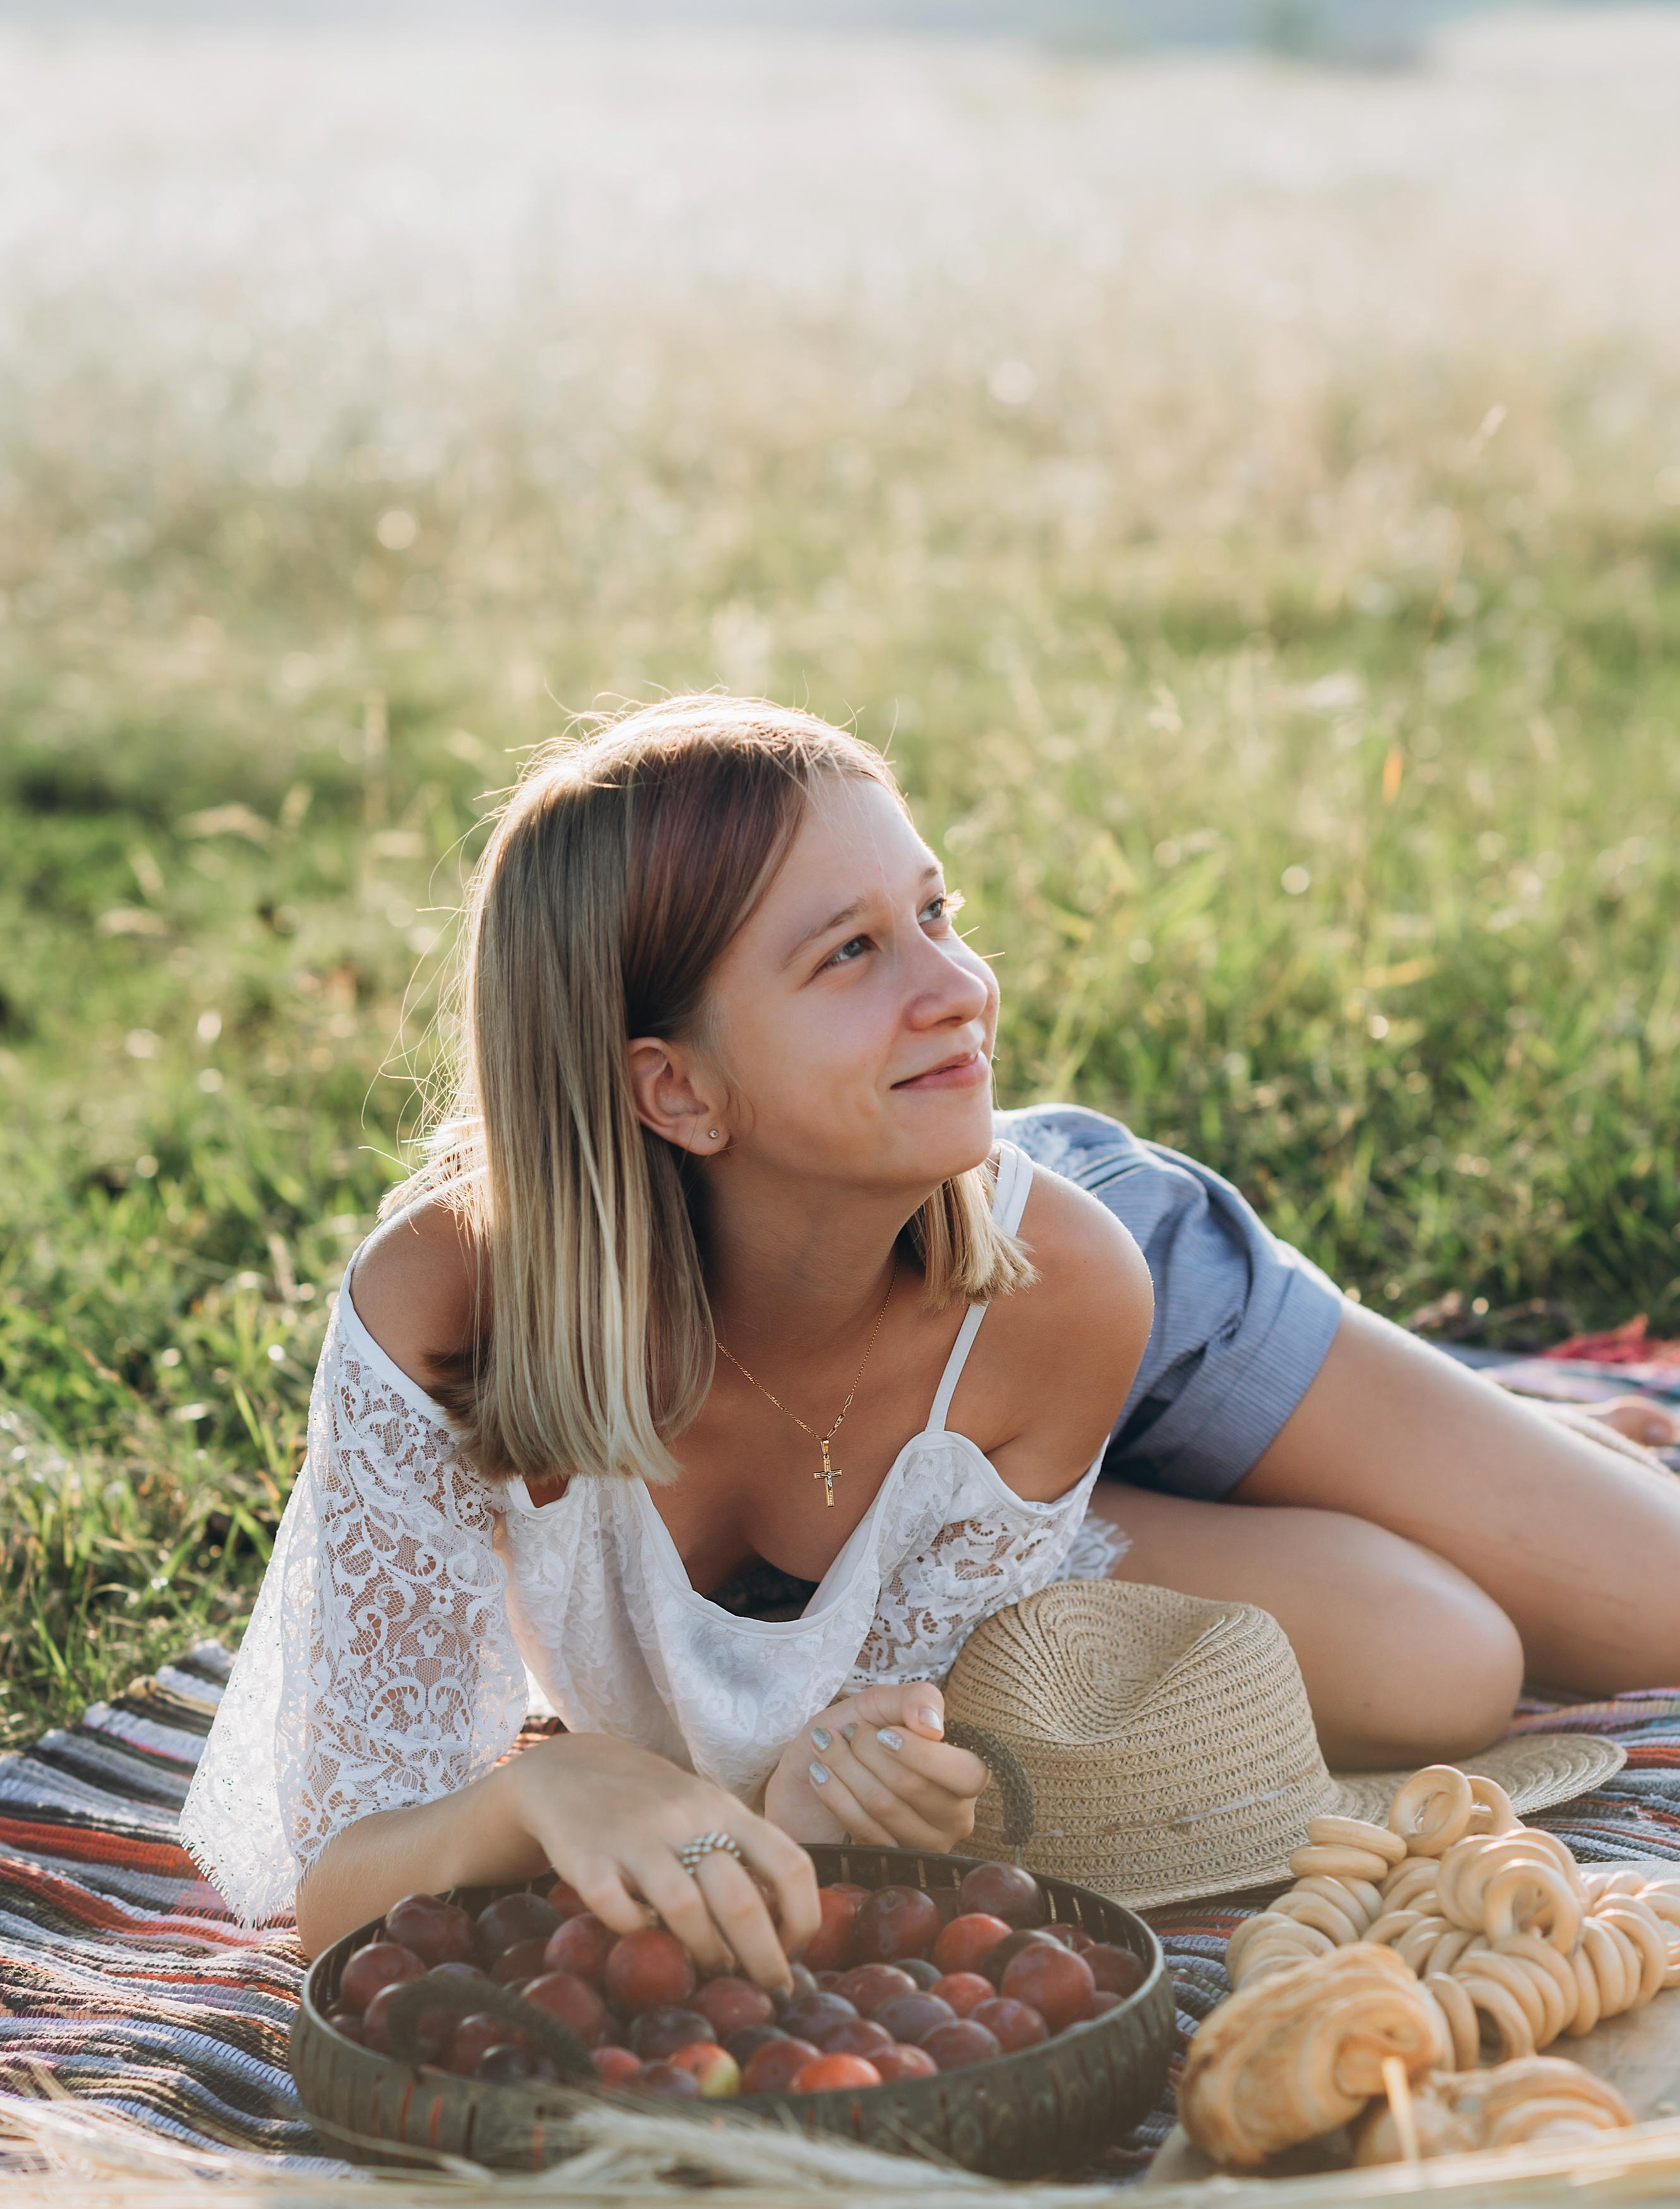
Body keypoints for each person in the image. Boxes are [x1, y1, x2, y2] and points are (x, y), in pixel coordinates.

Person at [180, 696, 1680, 1987]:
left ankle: (1484, 1431)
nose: (959, 986)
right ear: (673, 1088)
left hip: (1035, 1292)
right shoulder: (447, 1313)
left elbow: (791, 1761)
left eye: (936, 914)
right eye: (849, 952)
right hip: (934, 1385)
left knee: (1658, 1600)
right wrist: (542, 1787)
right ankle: (1095, 1498)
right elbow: (345, 1876)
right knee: (1448, 1667)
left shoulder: (1078, 1280)